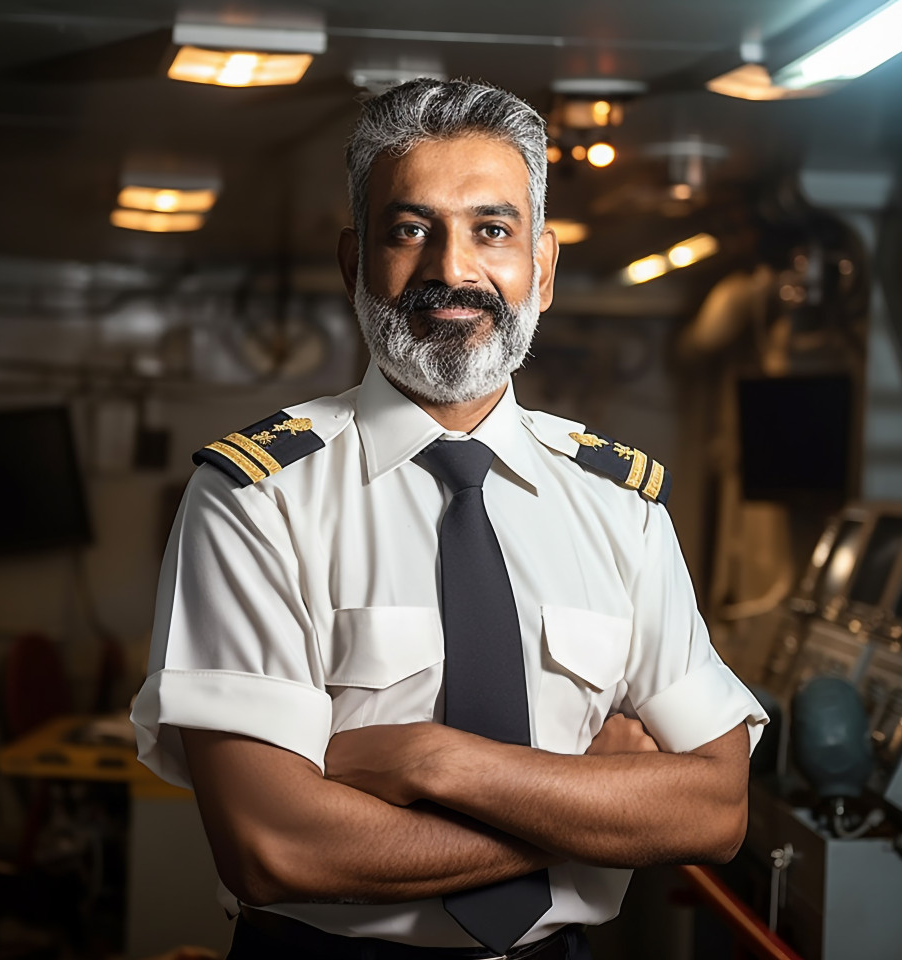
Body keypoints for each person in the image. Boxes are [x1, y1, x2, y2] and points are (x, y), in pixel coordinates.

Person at [131, 78, 768, 960]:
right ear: (356, 263)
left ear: (540, 267)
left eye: (492, 231)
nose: (452, 271)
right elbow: (272, 847)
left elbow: (716, 809)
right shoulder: (257, 499)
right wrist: (590, 805)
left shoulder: (620, 507)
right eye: (410, 229)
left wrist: (437, 763)